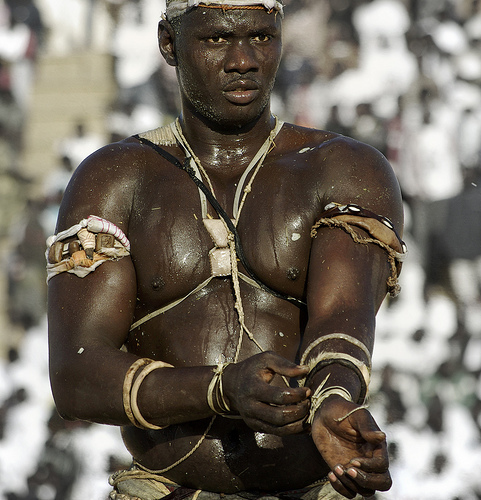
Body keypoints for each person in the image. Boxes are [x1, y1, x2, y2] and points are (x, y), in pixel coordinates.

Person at [46, 1, 406, 499]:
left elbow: (342, 314)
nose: (244, 60)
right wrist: (221, 388)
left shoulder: (343, 168)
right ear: (168, 43)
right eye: (217, 39)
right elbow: (75, 376)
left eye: (261, 36)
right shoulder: (114, 180)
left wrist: (334, 398)